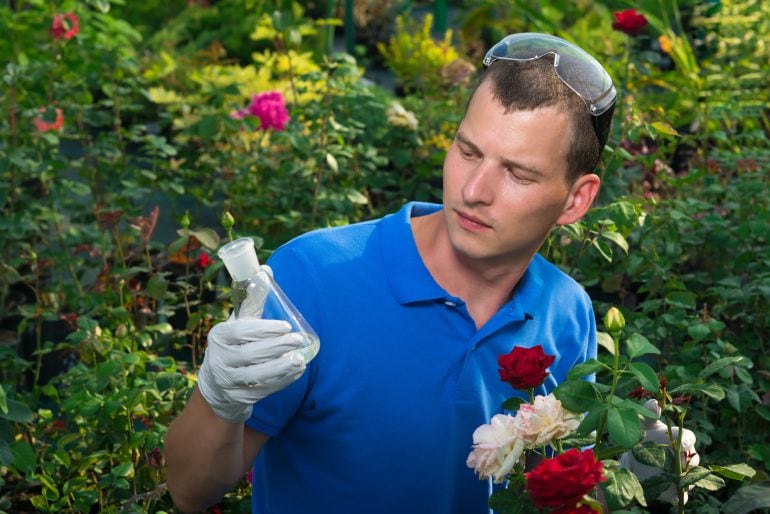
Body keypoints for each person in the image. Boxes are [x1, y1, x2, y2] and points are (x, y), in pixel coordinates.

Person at [164, 32, 616, 513]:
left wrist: (634, 469)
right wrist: (219, 399)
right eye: (468, 151)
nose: (474, 190)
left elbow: (560, 489)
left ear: (575, 200)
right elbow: (192, 492)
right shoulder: (314, 278)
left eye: (518, 174)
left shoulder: (567, 312)